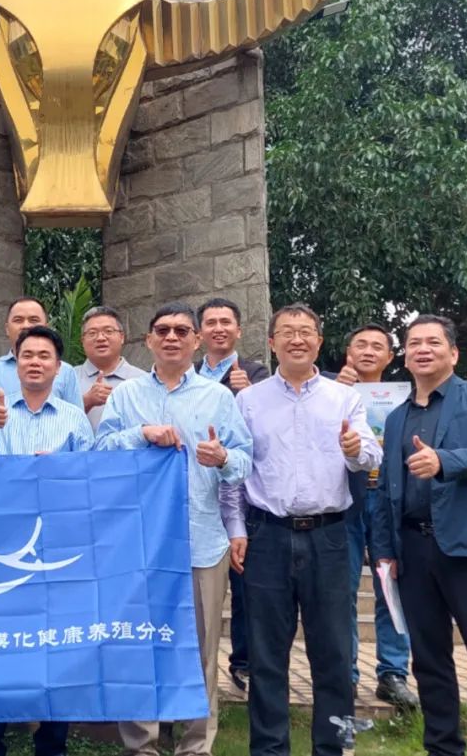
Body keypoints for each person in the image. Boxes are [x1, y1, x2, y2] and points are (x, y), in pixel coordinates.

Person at [96, 302, 253, 756]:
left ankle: (195, 745)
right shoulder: (125, 397)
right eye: (162, 330)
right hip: (137, 542)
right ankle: (141, 745)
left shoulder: (218, 398)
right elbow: (100, 451)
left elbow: (245, 461)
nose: (171, 337)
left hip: (201, 540)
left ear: (196, 341)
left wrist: (223, 458)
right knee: (138, 647)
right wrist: (140, 434)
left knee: (201, 652)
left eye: (182, 331)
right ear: (148, 340)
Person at [235, 303, 381, 756]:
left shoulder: (344, 398)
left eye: (305, 332)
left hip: (329, 536)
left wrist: (355, 450)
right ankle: (269, 749)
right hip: (267, 536)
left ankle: (333, 748)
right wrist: (237, 527)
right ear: (272, 342)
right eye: (287, 332)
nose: (296, 339)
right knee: (266, 655)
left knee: (334, 654)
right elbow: (236, 473)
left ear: (319, 341)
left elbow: (371, 456)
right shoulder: (249, 401)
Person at [372, 315, 467, 756]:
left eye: (433, 342)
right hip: (414, 551)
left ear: (453, 353)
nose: (423, 349)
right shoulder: (396, 418)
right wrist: (384, 551)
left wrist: (443, 461)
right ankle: (442, 746)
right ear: (404, 356)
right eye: (414, 343)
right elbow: (386, 490)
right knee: (429, 659)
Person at [0, 325, 95, 756]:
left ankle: (52, 741)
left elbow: (91, 474)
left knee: (58, 643)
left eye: (44, 356)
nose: (35, 362)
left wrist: (61, 468)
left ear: (58, 367)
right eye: (27, 355)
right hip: (2, 542)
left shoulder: (73, 417)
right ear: (16, 363)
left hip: (58, 544)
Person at [332, 324, 418, 709]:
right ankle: (345, 674)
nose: (368, 351)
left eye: (377, 347)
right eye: (361, 345)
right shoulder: (327, 391)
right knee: (342, 588)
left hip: (387, 503)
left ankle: (393, 673)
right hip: (344, 501)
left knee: (390, 585)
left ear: (390, 357)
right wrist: (337, 391)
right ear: (347, 352)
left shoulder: (406, 400)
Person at [195, 296, 269, 693]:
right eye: (211, 322)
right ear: (199, 333)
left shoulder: (256, 374)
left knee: (245, 584)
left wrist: (251, 391)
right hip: (200, 494)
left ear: (239, 330)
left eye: (226, 322)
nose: (219, 328)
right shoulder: (189, 375)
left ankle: (243, 662)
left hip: (243, 490)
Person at [0, 297, 81, 415]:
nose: (26, 326)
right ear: (7, 329)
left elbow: (76, 417)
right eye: (18, 320)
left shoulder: (65, 371)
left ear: (46, 327)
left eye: (33, 320)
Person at [73, 305, 146, 431]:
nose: (101, 338)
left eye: (108, 331)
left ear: (122, 337)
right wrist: (86, 401)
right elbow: (53, 425)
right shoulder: (68, 378)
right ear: (82, 340)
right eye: (92, 333)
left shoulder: (142, 380)